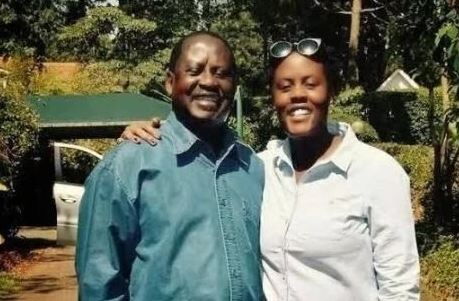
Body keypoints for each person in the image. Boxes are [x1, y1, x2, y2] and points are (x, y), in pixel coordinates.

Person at [121, 38, 420, 300]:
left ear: (332, 91)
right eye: (284, 87)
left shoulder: (376, 173)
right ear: (273, 98)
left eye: (311, 83)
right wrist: (147, 133)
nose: (297, 95)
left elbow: (400, 288)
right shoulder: (256, 166)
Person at [76, 31, 265, 300]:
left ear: (234, 85)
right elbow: (99, 284)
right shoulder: (128, 166)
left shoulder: (252, 167)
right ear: (170, 82)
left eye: (221, 73)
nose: (209, 82)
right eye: (195, 70)